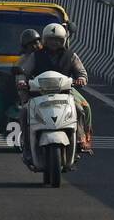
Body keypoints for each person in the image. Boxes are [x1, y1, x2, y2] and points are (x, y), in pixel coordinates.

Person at [16, 22, 93, 158]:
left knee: (82, 108)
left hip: (65, 91)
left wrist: (81, 79)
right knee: (24, 112)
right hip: (39, 92)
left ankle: (82, 138)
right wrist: (22, 81)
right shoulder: (36, 56)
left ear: (63, 40)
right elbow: (24, 71)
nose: (54, 43)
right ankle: (26, 143)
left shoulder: (71, 56)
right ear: (45, 40)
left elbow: (82, 72)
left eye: (58, 40)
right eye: (51, 39)